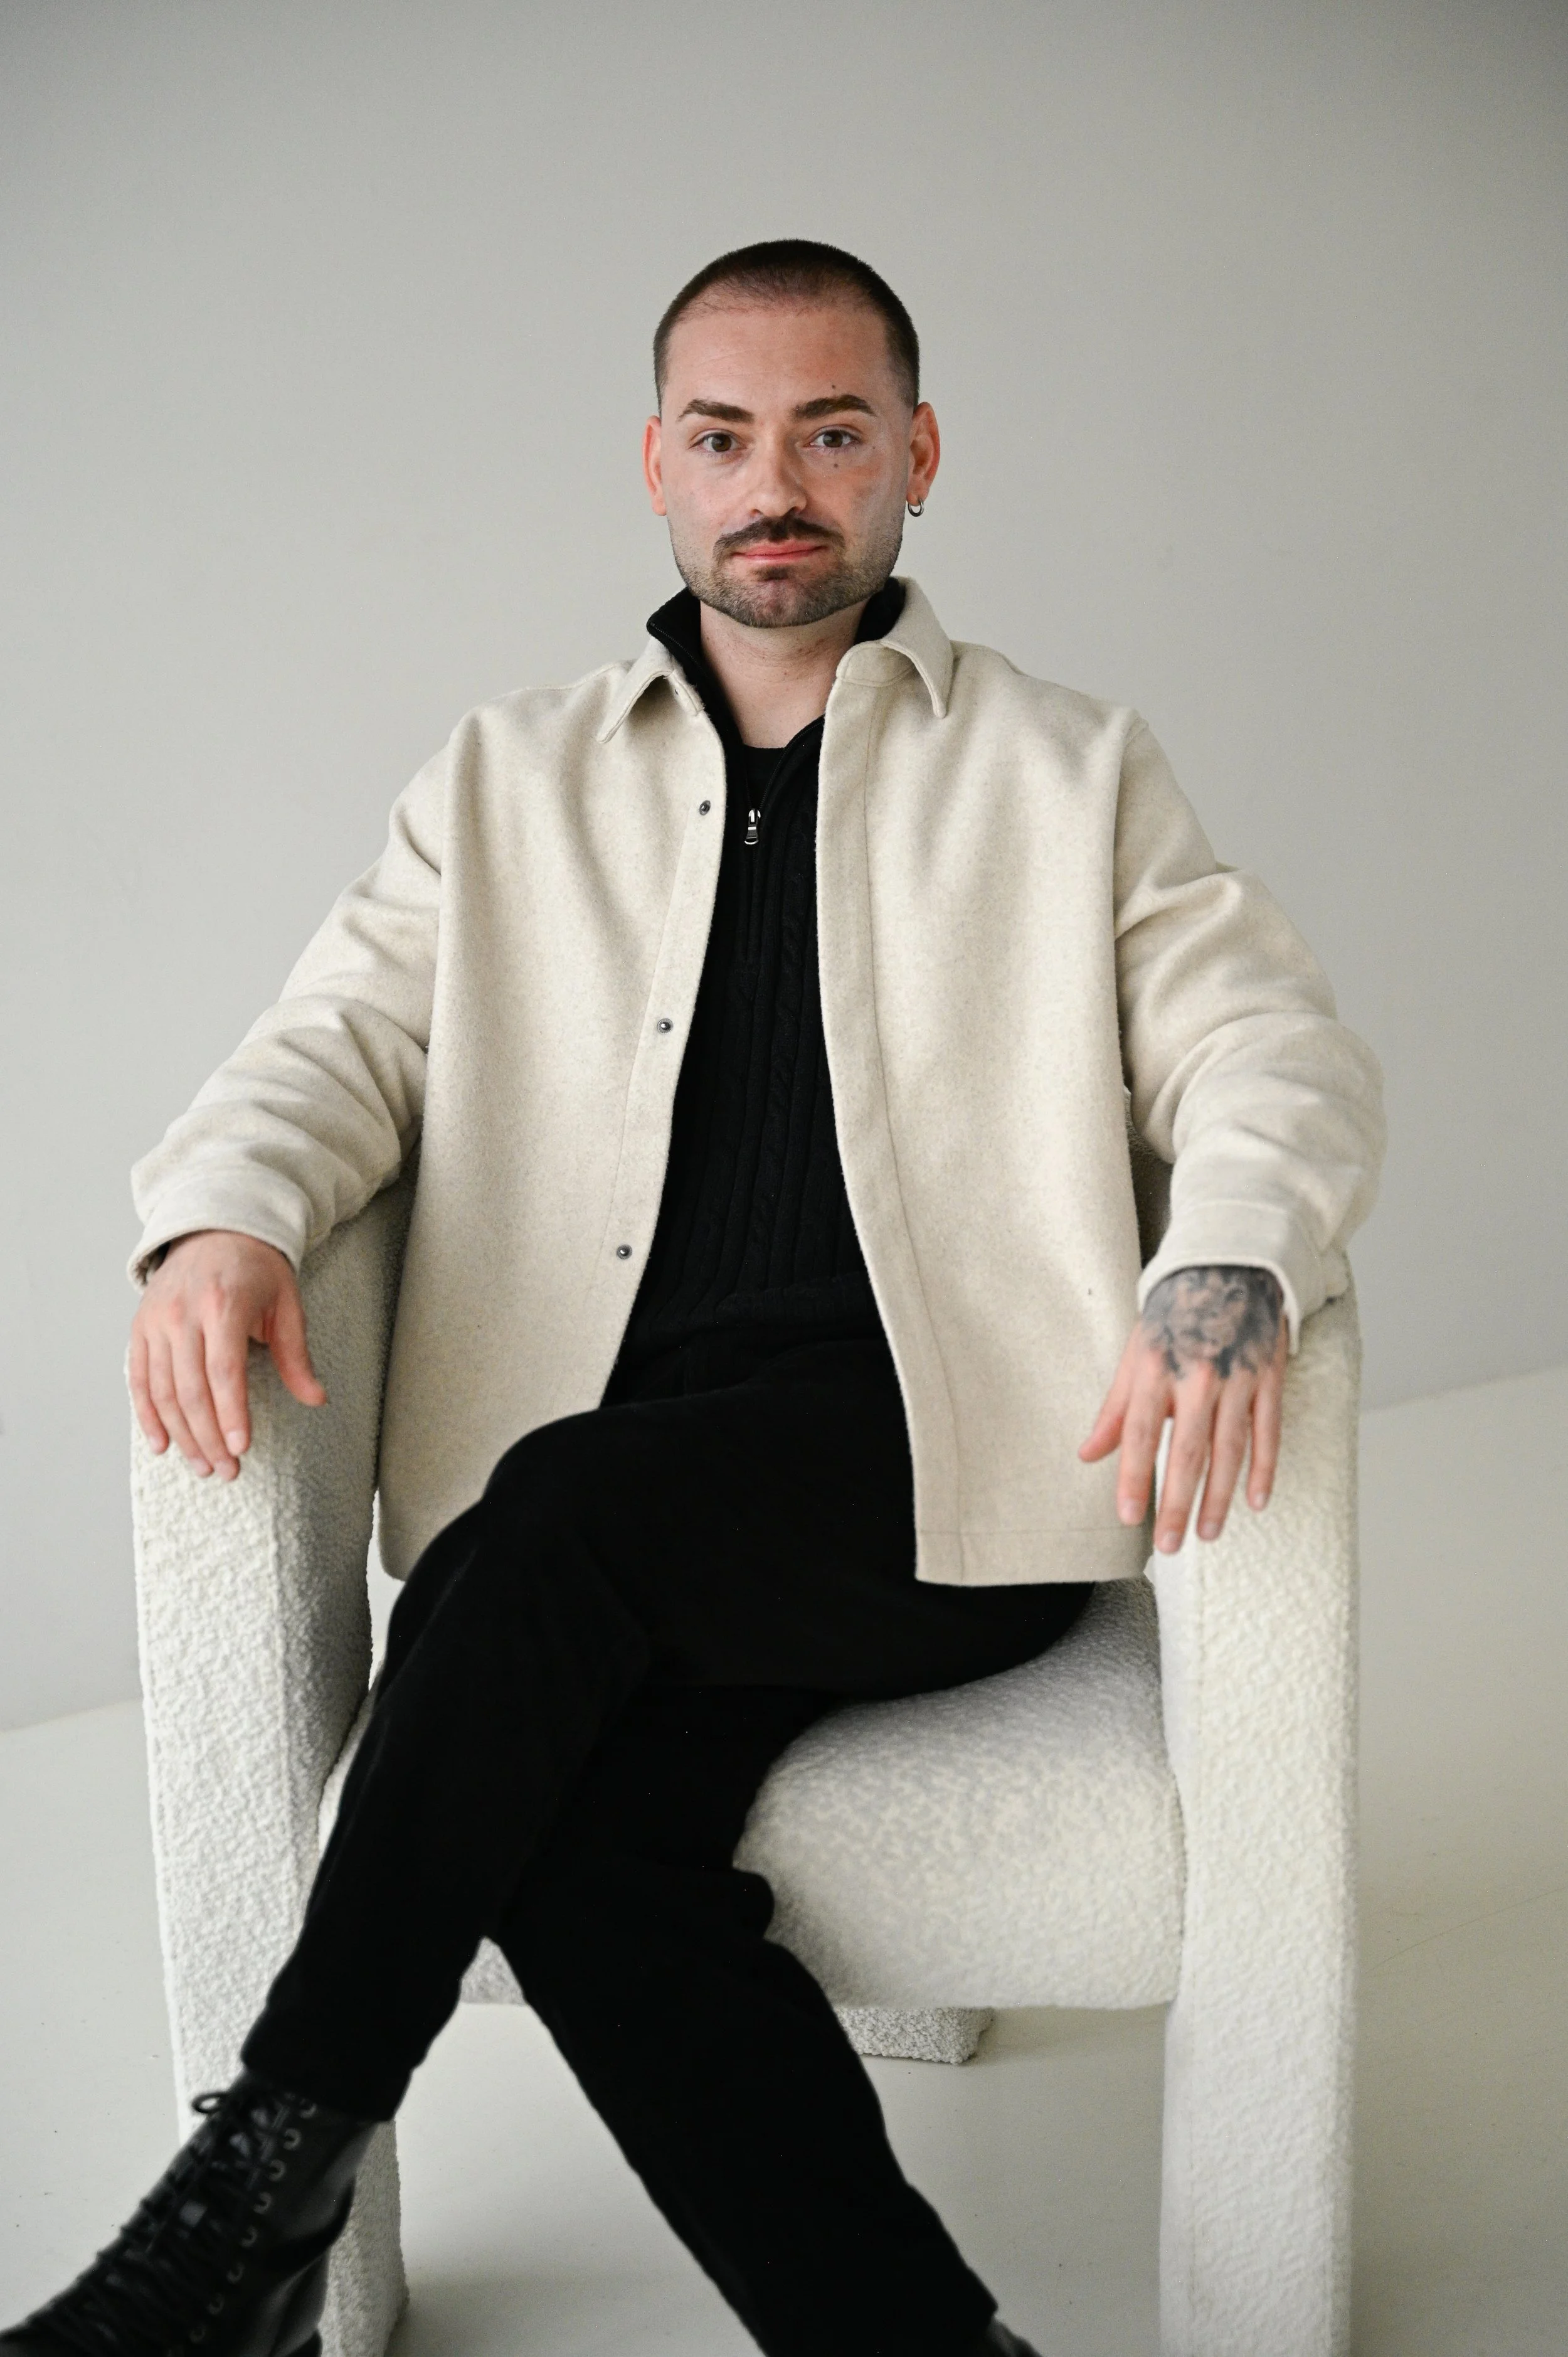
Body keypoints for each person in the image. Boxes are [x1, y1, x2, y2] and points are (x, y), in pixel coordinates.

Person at [3, 241, 1384, 2357]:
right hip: (624, 1517)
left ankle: (242, 2204)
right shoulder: (506, 776)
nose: (778, 482)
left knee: (537, 1524)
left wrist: (1228, 1246)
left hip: (932, 1471)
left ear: (914, 457)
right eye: (726, 435)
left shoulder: (1064, 767)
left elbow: (1265, 1046)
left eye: (834, 432)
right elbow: (330, 1045)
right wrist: (222, 1215)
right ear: (656, 463)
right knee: (582, 1858)